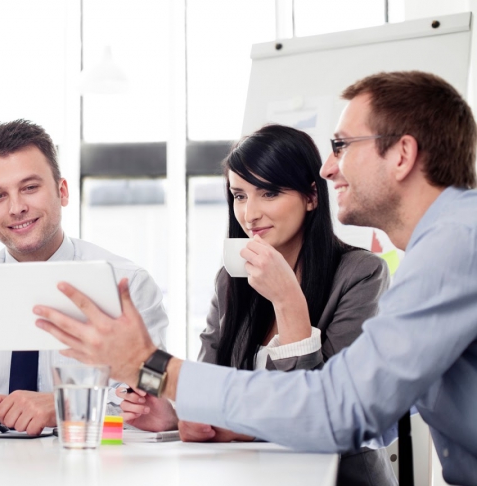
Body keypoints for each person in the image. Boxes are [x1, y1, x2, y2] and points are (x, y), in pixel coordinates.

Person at [34, 71, 477, 486]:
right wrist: (176, 412)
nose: (328, 168)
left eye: (342, 145)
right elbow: (371, 409)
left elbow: (341, 410)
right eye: (240, 195)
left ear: (402, 154)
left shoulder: (453, 244)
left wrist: (151, 365)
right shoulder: (444, 242)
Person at [119, 124, 394, 486]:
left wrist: (288, 301)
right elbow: (211, 386)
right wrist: (174, 416)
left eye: (269, 193)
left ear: (312, 196)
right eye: (239, 195)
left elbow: (326, 416)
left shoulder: (361, 274)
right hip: (248, 476)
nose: (249, 214)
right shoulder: (232, 279)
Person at [0, 119, 168, 435]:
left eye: (30, 188)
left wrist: (66, 406)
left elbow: (151, 400)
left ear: (62, 191)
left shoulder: (128, 285)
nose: (17, 208)